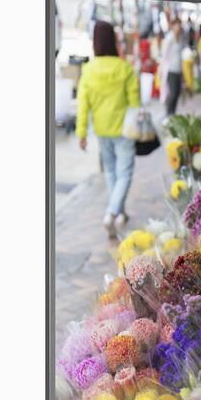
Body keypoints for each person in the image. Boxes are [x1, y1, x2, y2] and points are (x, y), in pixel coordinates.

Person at [76, 20, 140, 238]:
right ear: (113, 40)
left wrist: (82, 133)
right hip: (125, 130)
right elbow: (135, 103)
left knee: (112, 173)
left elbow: (83, 104)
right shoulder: (125, 68)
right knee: (125, 173)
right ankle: (112, 212)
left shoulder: (88, 70)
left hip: (101, 130)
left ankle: (118, 212)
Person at [160, 18, 184, 116]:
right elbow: (164, 54)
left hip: (178, 69)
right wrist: (162, 68)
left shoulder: (181, 38)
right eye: (176, 25)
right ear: (172, 26)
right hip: (170, 70)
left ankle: (173, 112)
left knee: (177, 92)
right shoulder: (169, 38)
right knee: (172, 93)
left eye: (179, 24)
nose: (178, 27)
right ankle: (168, 113)